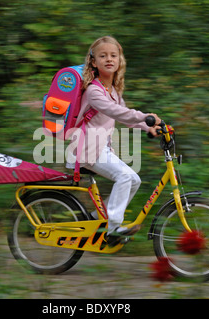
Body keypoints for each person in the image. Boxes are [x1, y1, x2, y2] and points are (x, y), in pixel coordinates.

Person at [66, 36, 162, 238]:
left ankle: (95, 219)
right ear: (94, 62)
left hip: (101, 149)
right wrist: (147, 117)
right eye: (103, 56)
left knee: (134, 180)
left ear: (120, 60)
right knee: (124, 176)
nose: (109, 59)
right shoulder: (93, 91)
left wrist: (148, 127)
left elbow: (126, 116)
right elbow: (116, 112)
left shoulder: (114, 92)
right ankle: (113, 229)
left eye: (113, 55)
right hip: (87, 149)